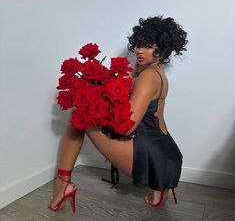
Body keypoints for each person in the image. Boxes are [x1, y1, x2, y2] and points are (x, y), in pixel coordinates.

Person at [48, 15, 188, 212]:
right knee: (83, 115)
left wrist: (94, 108)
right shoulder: (158, 73)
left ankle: (63, 185)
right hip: (166, 154)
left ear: (163, 49)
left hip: (149, 156)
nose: (139, 50)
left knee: (78, 119)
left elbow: (126, 127)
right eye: (138, 44)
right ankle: (159, 191)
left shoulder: (148, 76)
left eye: (148, 46)